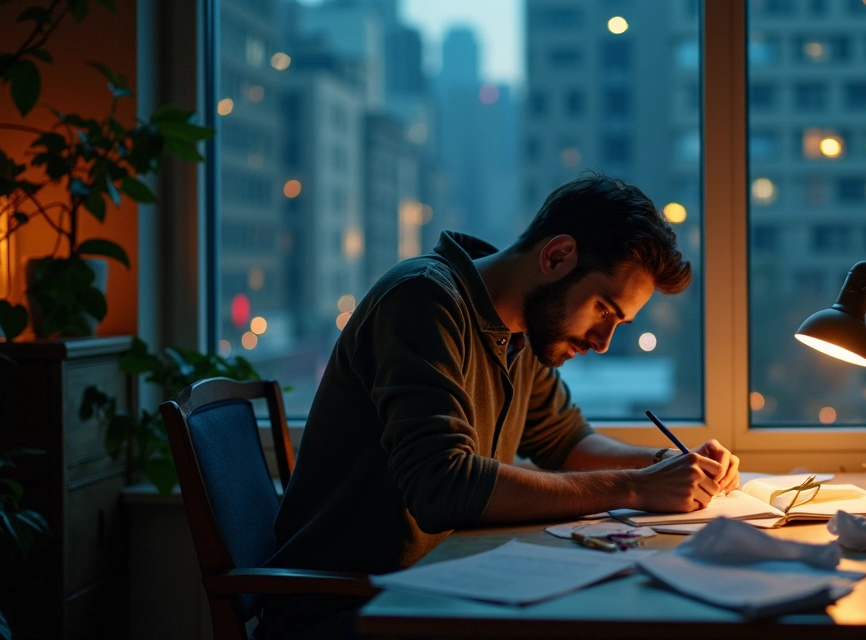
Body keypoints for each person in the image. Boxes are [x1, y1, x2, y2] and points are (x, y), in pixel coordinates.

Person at [254, 173, 741, 639]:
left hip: (432, 589)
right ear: (557, 256)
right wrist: (636, 488)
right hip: (348, 609)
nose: (603, 341)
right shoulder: (422, 299)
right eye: (603, 309)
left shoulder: (521, 331)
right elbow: (443, 486)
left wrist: (665, 464)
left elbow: (565, 440)